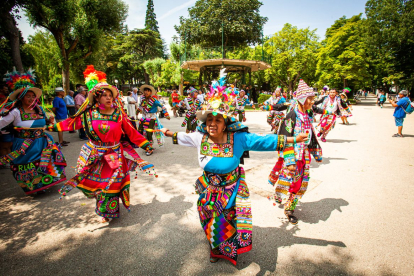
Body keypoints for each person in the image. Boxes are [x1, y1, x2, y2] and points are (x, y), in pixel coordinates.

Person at [160, 73, 308, 265]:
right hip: (208, 190)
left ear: (226, 124)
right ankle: (216, 246)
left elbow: (264, 141)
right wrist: (166, 131)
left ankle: (219, 250)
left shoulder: (238, 139)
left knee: (226, 222)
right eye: (209, 120)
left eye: (218, 120)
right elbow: (180, 137)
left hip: (230, 190)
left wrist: (292, 139)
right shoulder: (200, 138)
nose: (212, 124)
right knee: (210, 220)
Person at [48, 65, 155, 222]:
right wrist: (51, 126)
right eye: (104, 95)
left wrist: (146, 144)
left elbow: (132, 133)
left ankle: (107, 211)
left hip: (114, 155)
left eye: (110, 95)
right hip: (94, 155)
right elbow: (70, 124)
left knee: (112, 183)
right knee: (92, 183)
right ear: (96, 98)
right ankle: (100, 201)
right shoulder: (88, 115)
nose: (108, 97)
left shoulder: (119, 115)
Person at [268, 79, 327, 224]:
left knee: (299, 183)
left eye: (313, 99)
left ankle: (289, 208)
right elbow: (284, 138)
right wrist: (289, 160)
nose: (312, 102)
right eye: (310, 99)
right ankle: (278, 195)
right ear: (301, 99)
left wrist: (315, 152)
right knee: (285, 179)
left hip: (303, 156)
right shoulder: (292, 115)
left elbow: (310, 134)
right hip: (292, 155)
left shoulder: (306, 115)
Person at [0, 69, 66, 195]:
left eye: (32, 96)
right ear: (21, 98)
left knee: (44, 163)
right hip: (24, 145)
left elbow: (46, 123)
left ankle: (42, 185)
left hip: (42, 142)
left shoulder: (40, 109)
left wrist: (50, 122)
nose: (31, 99)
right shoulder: (15, 112)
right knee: (27, 165)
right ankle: (32, 187)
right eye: (27, 96)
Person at [137, 84, 170, 155]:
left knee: (149, 133)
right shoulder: (143, 100)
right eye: (145, 91)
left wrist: (166, 114)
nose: (146, 92)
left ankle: (150, 148)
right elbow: (140, 107)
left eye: (147, 91)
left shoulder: (154, 100)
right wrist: (136, 113)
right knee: (141, 132)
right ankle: (146, 145)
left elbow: (162, 105)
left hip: (151, 118)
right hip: (144, 118)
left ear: (150, 92)